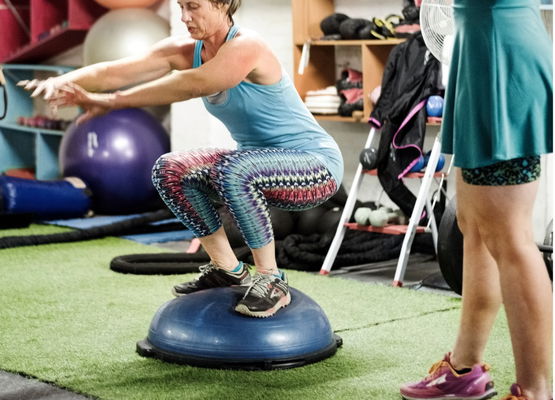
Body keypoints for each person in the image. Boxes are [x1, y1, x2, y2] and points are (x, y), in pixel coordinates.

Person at [19, 0, 343, 318]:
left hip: (315, 166)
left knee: (234, 169)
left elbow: (193, 83)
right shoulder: (188, 49)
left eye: (193, 6)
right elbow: (117, 71)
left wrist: (111, 102)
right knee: (170, 169)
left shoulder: (248, 46)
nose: (185, 16)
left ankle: (271, 279)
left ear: (222, 4)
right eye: (180, 7)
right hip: (253, 163)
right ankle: (228, 269)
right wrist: (59, 82)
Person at [400, 0, 552, 399]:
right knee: (473, 225)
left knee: (509, 235)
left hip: (501, 53)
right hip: (479, 49)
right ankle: (464, 369)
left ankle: (534, 391)